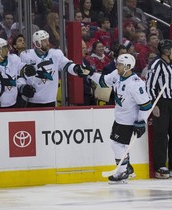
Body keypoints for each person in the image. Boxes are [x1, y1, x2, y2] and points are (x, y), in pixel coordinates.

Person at [80, 53, 152, 184]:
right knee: (120, 144)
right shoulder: (117, 74)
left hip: (129, 121)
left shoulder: (136, 84)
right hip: (119, 118)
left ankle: (122, 172)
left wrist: (141, 122)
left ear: (128, 67)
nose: (116, 66)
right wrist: (90, 73)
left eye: (119, 64)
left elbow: (146, 105)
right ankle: (127, 168)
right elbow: (103, 81)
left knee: (117, 145)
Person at [18, 30, 88, 107]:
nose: (48, 43)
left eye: (48, 40)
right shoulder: (26, 55)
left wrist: (76, 68)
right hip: (31, 100)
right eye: (44, 41)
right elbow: (19, 75)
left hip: (50, 100)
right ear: (37, 43)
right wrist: (22, 87)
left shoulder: (55, 54)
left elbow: (67, 64)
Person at [146, 39, 172, 179]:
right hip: (161, 102)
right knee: (161, 134)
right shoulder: (157, 64)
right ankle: (160, 166)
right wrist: (153, 104)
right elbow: (150, 85)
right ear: (166, 51)